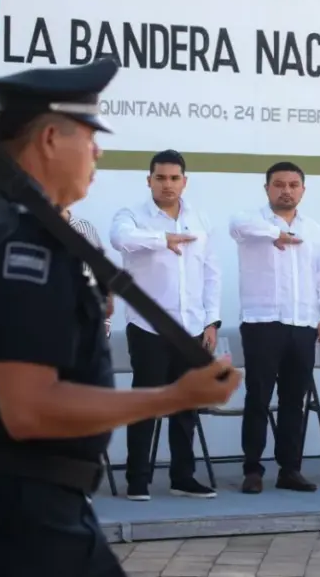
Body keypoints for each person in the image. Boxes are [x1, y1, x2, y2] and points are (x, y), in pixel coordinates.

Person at [0, 59, 241, 577]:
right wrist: (177, 396)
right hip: (18, 514)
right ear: (50, 138)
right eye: (91, 136)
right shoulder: (25, 241)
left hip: (11, 500)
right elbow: (27, 407)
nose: (98, 151)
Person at [109, 149, 220, 501]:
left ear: (184, 181)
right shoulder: (132, 216)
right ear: (149, 180)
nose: (167, 184)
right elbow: (119, 239)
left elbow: (212, 273)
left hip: (192, 327)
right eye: (160, 177)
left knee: (186, 406)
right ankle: (137, 480)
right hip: (148, 327)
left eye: (174, 178)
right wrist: (162, 240)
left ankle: (182, 477)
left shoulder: (200, 219)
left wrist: (212, 321)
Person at [229, 161, 320, 494]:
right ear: (267, 189)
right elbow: (237, 227)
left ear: (303, 190)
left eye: (293, 185)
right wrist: (276, 233)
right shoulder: (251, 221)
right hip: (262, 322)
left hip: (303, 324)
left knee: (295, 400)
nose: (286, 190)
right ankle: (253, 469)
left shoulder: (315, 229)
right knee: (258, 397)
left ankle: (290, 469)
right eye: (279, 184)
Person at [64, 209, 114, 337]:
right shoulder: (26, 225)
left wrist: (107, 319)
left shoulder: (84, 227)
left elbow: (102, 269)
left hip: (86, 315)